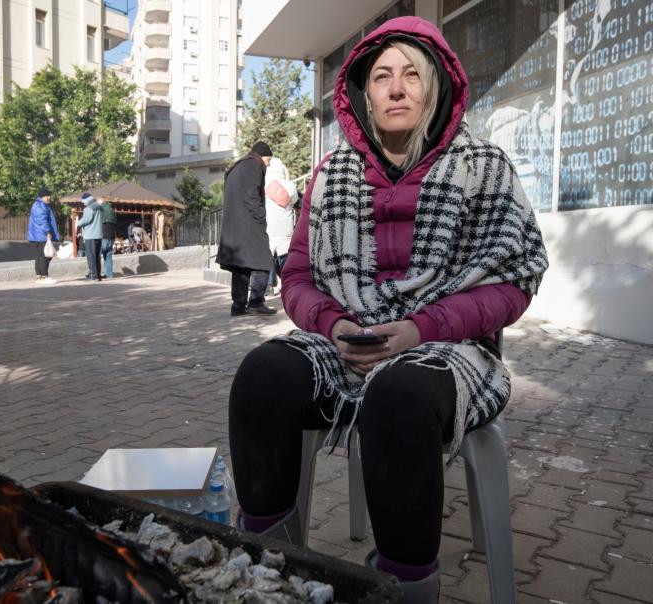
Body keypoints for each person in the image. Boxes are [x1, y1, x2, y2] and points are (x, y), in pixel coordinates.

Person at [228, 17, 548, 602]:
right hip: (345, 338)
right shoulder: (331, 175)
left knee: (399, 399)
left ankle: (404, 589)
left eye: (411, 76)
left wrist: (420, 328)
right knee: (262, 376)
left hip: (449, 347)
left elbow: (515, 279)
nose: (396, 89)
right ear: (363, 94)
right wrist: (334, 324)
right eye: (381, 77)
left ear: (434, 89)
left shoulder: (484, 165)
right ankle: (265, 569)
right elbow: (297, 275)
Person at [216, 141, 278, 317]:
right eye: (269, 159)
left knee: (241, 266)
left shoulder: (238, 166)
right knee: (264, 261)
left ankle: (238, 306)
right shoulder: (253, 164)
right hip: (248, 223)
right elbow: (252, 195)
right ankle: (256, 302)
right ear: (261, 155)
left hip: (234, 225)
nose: (269, 163)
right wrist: (261, 217)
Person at [263, 156, 297, 296]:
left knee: (267, 258)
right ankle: (289, 284)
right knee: (285, 259)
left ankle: (268, 286)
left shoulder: (263, 184)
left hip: (269, 227)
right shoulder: (290, 185)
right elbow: (294, 201)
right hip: (286, 228)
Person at [27, 186, 59, 284]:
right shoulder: (41, 206)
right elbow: (42, 221)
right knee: (45, 255)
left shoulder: (38, 205)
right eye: (47, 195)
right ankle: (44, 276)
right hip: (41, 235)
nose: (49, 197)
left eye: (49, 195)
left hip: (37, 235)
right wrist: (48, 232)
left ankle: (39, 277)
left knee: (39, 256)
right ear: (42, 196)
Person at [76, 192, 103, 281]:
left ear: (87, 200)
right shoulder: (99, 207)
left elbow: (86, 220)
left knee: (91, 256)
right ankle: (98, 274)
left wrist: (78, 223)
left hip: (90, 235)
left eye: (83, 201)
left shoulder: (89, 208)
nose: (83, 203)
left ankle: (93, 275)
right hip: (99, 235)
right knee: (97, 256)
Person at [100, 198, 117, 278]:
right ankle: (109, 274)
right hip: (111, 237)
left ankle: (95, 273)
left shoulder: (101, 210)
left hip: (103, 236)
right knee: (108, 255)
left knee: (97, 255)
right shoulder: (113, 211)